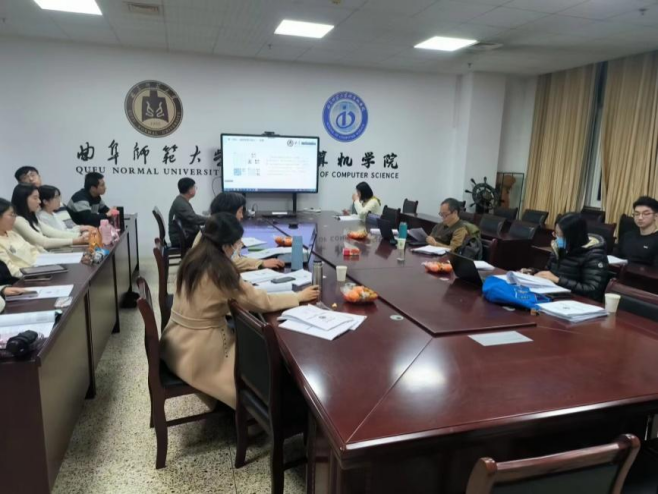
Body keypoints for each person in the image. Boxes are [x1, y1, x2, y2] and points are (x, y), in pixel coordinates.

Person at [160, 213, 319, 409]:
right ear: (225, 245)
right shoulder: (220, 271)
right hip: (199, 353)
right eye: (236, 243)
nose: (238, 247)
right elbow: (260, 301)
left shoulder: (193, 257)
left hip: (174, 344)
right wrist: (297, 297)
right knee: (267, 355)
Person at [531, 213, 608, 301]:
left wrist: (558, 280)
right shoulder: (559, 247)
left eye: (559, 235)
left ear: (572, 237)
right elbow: (549, 273)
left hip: (577, 302)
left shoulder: (594, 255)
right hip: (556, 296)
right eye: (555, 233)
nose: (556, 238)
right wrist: (533, 272)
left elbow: (593, 291)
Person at [203, 192, 285, 271]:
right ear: (229, 213)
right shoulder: (215, 235)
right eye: (240, 211)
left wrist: (237, 243)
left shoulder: (213, 229)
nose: (242, 216)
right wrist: (261, 263)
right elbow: (232, 261)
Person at [11, 184, 88, 249]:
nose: (39, 201)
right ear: (23, 199)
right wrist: (77, 240)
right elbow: (44, 242)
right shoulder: (18, 220)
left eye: (38, 198)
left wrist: (80, 236)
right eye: (35, 198)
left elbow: (54, 233)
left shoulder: (32, 218)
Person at [0, 198, 44, 277]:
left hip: (37, 271)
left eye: (15, 214)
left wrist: (41, 266)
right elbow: (10, 269)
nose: (15, 218)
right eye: (11, 215)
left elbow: (33, 250)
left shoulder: (12, 233)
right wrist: (33, 274)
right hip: (22, 278)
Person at [618, 196, 658, 267]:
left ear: (656, 216)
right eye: (637, 214)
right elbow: (614, 258)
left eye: (646, 213)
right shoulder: (627, 236)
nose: (640, 218)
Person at [168, 178, 206, 248]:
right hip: (181, 239)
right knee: (211, 237)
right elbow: (194, 218)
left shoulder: (181, 201)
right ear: (190, 190)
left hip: (183, 235)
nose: (195, 189)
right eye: (194, 187)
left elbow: (192, 218)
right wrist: (211, 219)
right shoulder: (181, 204)